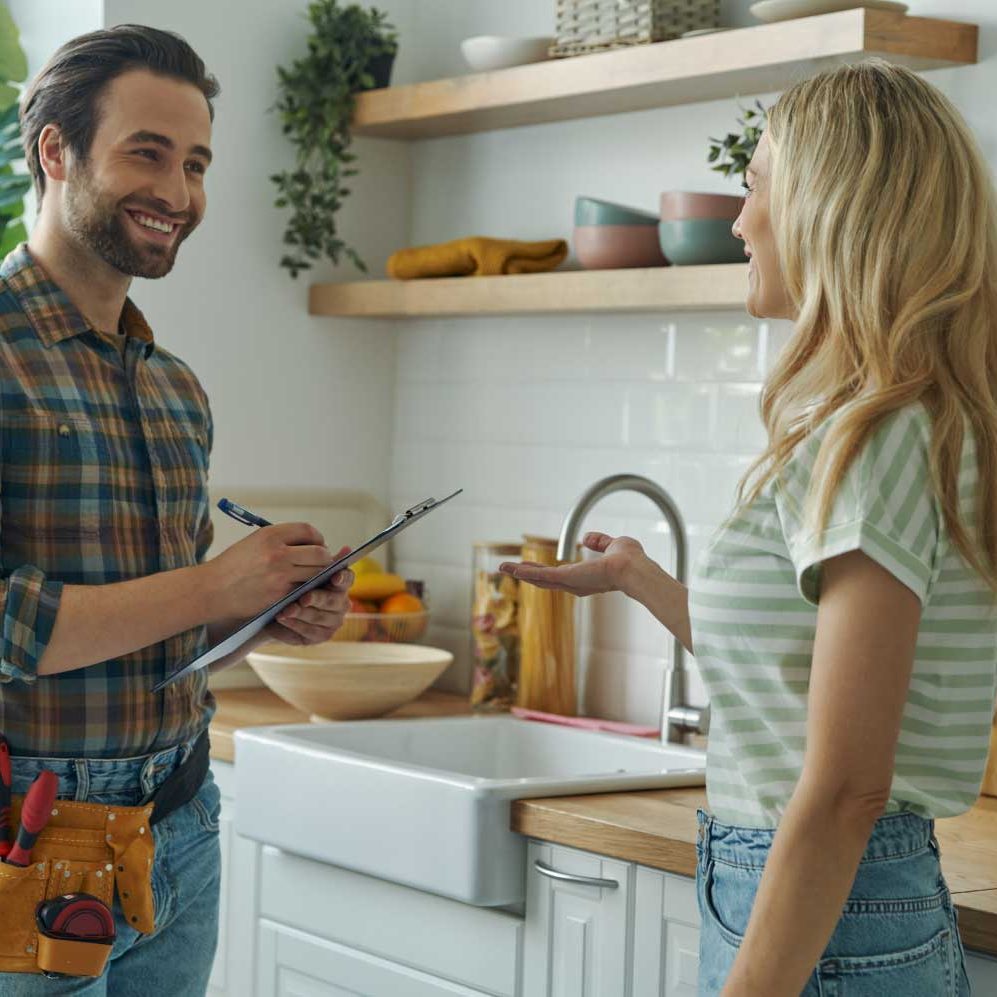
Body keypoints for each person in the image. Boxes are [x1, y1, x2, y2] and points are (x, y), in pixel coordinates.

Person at [501, 59, 996, 995]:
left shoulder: (878, 435)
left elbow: (847, 785)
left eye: (756, 183)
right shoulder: (894, 422)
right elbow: (801, 678)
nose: (738, 219)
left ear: (827, 206)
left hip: (831, 910)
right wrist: (639, 580)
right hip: (828, 900)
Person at [0, 25, 351, 994]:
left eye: (194, 163)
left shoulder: (174, 387)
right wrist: (212, 582)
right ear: (57, 152)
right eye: (146, 153)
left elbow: (170, 636)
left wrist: (267, 608)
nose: (179, 193)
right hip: (29, 832)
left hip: (182, 817)